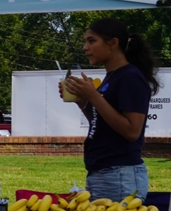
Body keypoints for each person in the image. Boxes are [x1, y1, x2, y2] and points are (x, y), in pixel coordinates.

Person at [62, 17, 158, 201]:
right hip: (105, 172)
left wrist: (94, 96)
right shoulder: (112, 76)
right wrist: (82, 101)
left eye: (92, 41)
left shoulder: (130, 77)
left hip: (120, 174)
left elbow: (132, 131)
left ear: (113, 43)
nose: (85, 47)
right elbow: (103, 123)